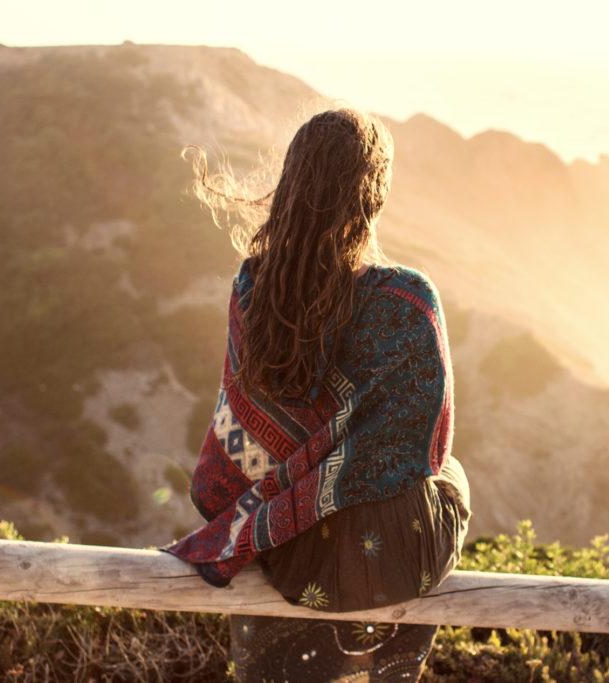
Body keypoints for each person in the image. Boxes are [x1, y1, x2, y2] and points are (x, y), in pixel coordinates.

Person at [159, 107, 471, 682]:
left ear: (292, 185)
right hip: (397, 558)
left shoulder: (253, 289)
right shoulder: (408, 302)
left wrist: (301, 489)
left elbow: (240, 435)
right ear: (374, 196)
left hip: (289, 553)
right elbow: (424, 450)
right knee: (450, 472)